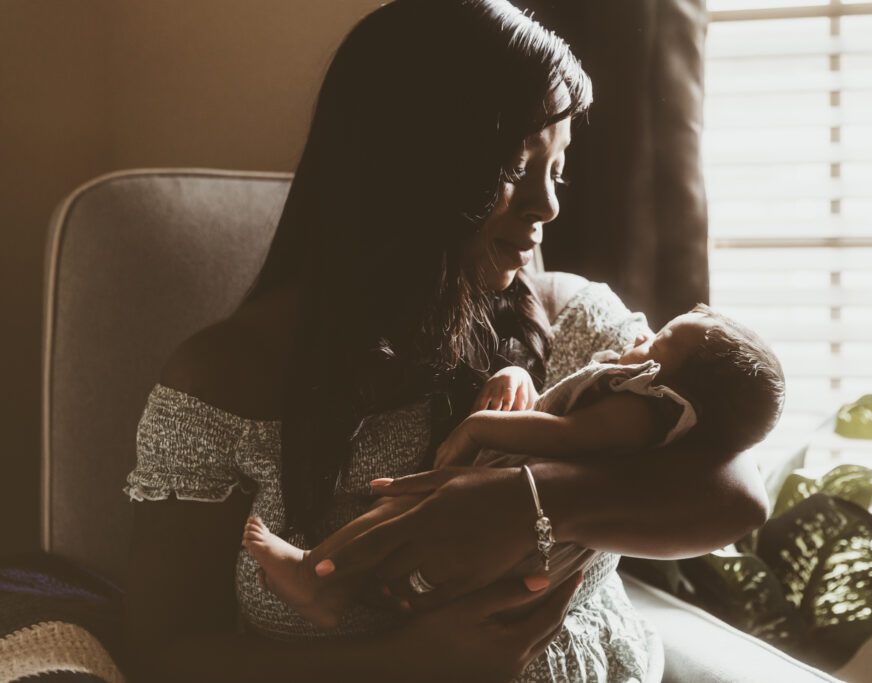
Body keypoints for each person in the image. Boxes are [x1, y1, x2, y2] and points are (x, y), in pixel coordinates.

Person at [121, 1, 771, 681]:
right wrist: (404, 663)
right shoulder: (227, 377)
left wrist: (525, 502)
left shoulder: (576, 324)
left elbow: (736, 494)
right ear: (414, 170)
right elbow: (162, 651)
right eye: (520, 167)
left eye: (559, 169)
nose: (549, 206)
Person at [240, 304, 785, 628]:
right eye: (521, 170)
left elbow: (572, 436)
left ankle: (318, 575)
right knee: (398, 511)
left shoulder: (641, 409)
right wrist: (519, 380)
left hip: (508, 510)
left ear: (676, 390)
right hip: (489, 512)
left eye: (659, 342)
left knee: (400, 512)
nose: (641, 336)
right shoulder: (641, 394)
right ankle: (324, 580)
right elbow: (561, 412)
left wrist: (487, 438)